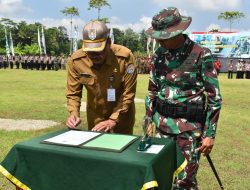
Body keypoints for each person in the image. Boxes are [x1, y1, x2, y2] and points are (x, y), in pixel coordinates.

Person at [145, 7, 222, 189]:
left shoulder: (200, 54)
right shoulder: (159, 55)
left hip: (188, 131)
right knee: (159, 179)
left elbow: (214, 98)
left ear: (177, 32)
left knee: (184, 182)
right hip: (161, 128)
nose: (158, 40)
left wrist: (209, 135)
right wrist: (149, 121)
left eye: (163, 37)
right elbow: (152, 91)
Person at [66, 20, 137, 134]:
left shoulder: (125, 58)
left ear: (108, 42)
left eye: (99, 51)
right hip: (95, 116)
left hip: (122, 115)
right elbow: (73, 93)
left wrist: (113, 119)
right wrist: (74, 113)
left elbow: (128, 93)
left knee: (121, 148)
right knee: (96, 149)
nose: (94, 56)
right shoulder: (77, 61)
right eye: (90, 52)